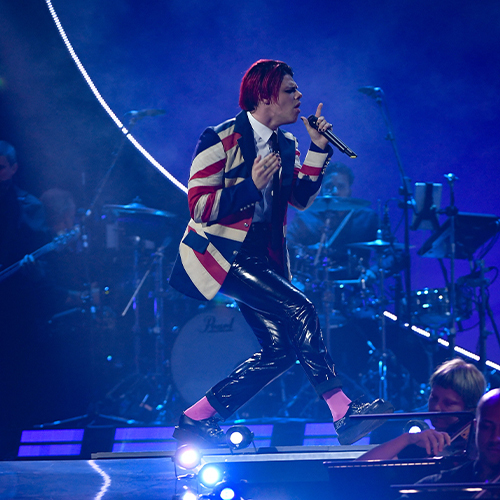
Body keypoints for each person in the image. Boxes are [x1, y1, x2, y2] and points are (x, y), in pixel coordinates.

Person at [168, 59, 393, 448]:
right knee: (300, 309)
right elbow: (198, 207)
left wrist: (318, 149)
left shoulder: (285, 144)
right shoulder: (220, 138)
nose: (299, 96)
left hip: (262, 256)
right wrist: (250, 187)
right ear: (265, 95)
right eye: (291, 90)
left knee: (281, 350)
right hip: (225, 253)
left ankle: (196, 418)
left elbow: (300, 198)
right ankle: (342, 410)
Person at [359, 358, 487, 460]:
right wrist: (408, 439)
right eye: (434, 398)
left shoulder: (478, 446)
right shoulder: (427, 443)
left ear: (470, 408)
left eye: (448, 403)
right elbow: (357, 469)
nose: (436, 407)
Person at [397, 388, 500, 499]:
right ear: (475, 427)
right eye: (486, 427)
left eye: (449, 403)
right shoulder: (440, 484)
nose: (495, 438)